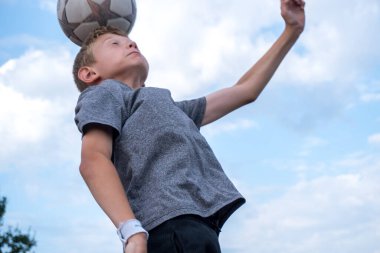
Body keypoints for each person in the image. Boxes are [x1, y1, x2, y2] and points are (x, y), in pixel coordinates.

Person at [73, 0, 305, 252]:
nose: (130, 43)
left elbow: (245, 91)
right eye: (114, 44)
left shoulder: (167, 107)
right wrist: (131, 231)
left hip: (200, 228)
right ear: (88, 74)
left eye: (131, 42)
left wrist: (291, 31)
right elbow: (93, 159)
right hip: (167, 229)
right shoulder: (105, 93)